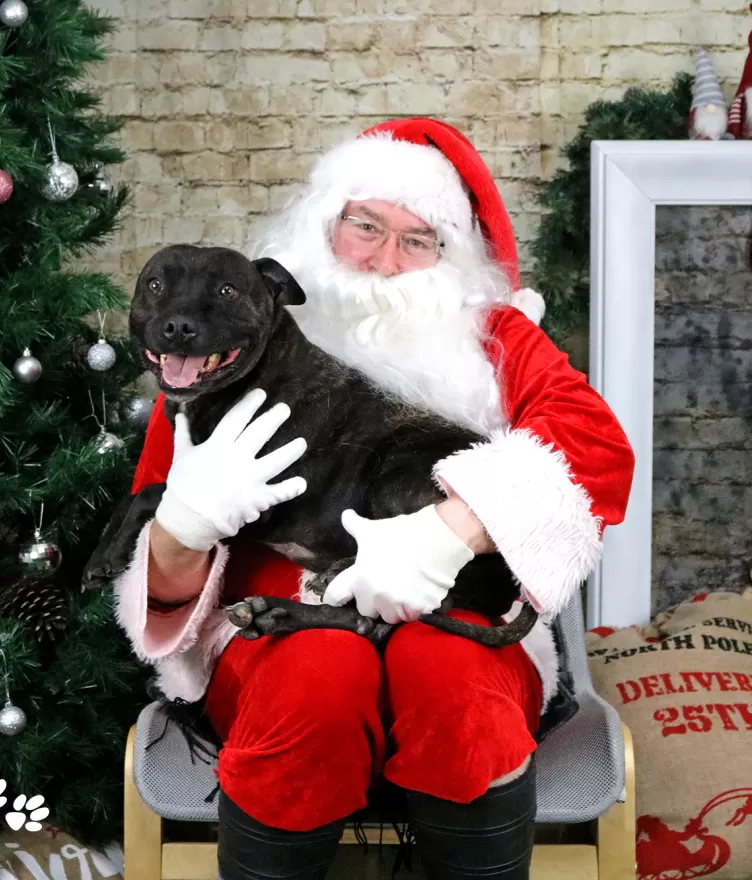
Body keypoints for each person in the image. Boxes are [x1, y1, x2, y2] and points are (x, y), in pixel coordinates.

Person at [113, 118, 635, 880]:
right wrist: (184, 527)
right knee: (318, 672)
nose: (387, 261)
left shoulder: (498, 337)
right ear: (323, 223)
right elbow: (153, 566)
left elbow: (596, 448)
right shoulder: (225, 347)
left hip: (466, 615)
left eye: (418, 240)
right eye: (365, 226)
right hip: (272, 636)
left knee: (449, 675)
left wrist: (452, 531)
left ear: (449, 258)